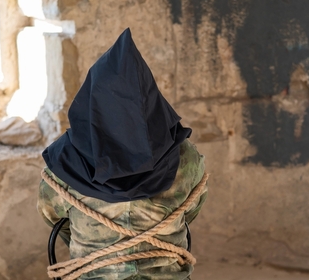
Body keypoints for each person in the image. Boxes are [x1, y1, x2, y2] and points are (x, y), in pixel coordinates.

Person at [37, 28, 208, 280]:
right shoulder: (186, 159)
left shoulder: (64, 163)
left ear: (91, 103)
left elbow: (53, 216)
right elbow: (191, 210)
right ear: (149, 100)